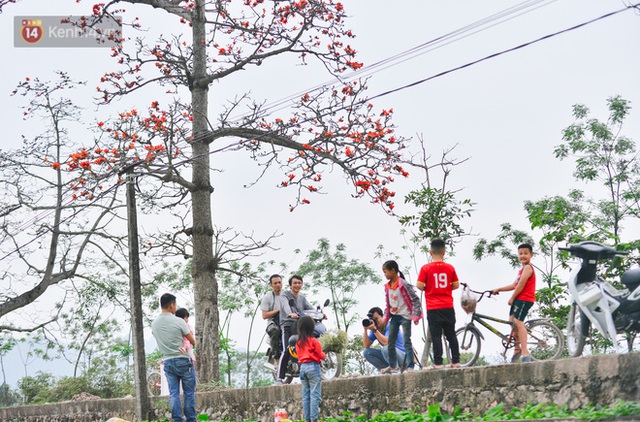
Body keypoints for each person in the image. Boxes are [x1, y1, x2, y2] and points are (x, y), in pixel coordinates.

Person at [151, 293, 197, 422]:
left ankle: (177, 420)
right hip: (183, 360)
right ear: (172, 305)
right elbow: (192, 341)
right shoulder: (179, 321)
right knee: (188, 393)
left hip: (168, 361)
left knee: (174, 394)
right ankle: (191, 420)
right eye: (175, 304)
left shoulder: (155, 324)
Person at [417, 238, 461, 369]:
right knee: (451, 334)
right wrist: (446, 289)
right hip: (448, 305)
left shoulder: (426, 268)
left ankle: (438, 362)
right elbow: (456, 285)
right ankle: (456, 361)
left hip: (433, 307)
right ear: (444, 252)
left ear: (430, 253)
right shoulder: (450, 268)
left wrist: (429, 288)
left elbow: (419, 285)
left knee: (436, 336)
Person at [491, 243, 536, 363]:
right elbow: (514, 285)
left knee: (518, 323)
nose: (523, 256)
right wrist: (498, 289)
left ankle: (525, 352)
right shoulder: (521, 270)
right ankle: (517, 348)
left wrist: (512, 298)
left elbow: (521, 285)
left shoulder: (528, 268)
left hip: (525, 299)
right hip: (519, 299)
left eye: (526, 253)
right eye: (520, 253)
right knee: (511, 322)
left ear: (531, 255)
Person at [382, 260, 422, 374]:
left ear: (393, 271)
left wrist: (415, 315)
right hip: (395, 316)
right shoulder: (388, 287)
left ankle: (410, 366)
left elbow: (415, 299)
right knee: (390, 342)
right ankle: (393, 365)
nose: (384, 275)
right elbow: (388, 303)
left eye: (385, 272)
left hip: (405, 316)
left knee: (406, 341)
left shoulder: (403, 284)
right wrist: (386, 316)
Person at [276, 274, 315, 385]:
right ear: (290, 285)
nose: (297, 285)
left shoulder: (302, 298)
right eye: (295, 283)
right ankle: (279, 377)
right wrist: (290, 313)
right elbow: (285, 305)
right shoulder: (285, 295)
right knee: (287, 349)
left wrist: (319, 314)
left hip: (299, 325)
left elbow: (310, 309)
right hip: (287, 324)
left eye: (299, 283)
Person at [296, 315, 325, 422]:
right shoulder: (314, 341)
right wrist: (324, 355)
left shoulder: (298, 343)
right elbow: (320, 354)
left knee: (306, 396)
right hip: (313, 367)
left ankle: (308, 419)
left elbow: (299, 355)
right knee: (315, 395)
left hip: (303, 368)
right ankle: (314, 419)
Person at [362, 306, 407, 373]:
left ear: (383, 317)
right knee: (367, 352)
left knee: (386, 348)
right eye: (373, 319)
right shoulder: (375, 330)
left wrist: (374, 330)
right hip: (391, 358)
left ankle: (395, 370)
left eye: (376, 319)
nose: (375, 321)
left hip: (404, 358)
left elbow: (386, 342)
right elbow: (366, 345)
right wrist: (365, 330)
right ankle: (388, 372)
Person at [260, 274, 283, 364]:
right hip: (273, 322)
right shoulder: (268, 297)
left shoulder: (287, 295)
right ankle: (276, 357)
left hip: (286, 321)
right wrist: (277, 310)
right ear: (271, 285)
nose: (278, 285)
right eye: (275, 283)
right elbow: (264, 315)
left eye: (279, 282)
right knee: (274, 331)